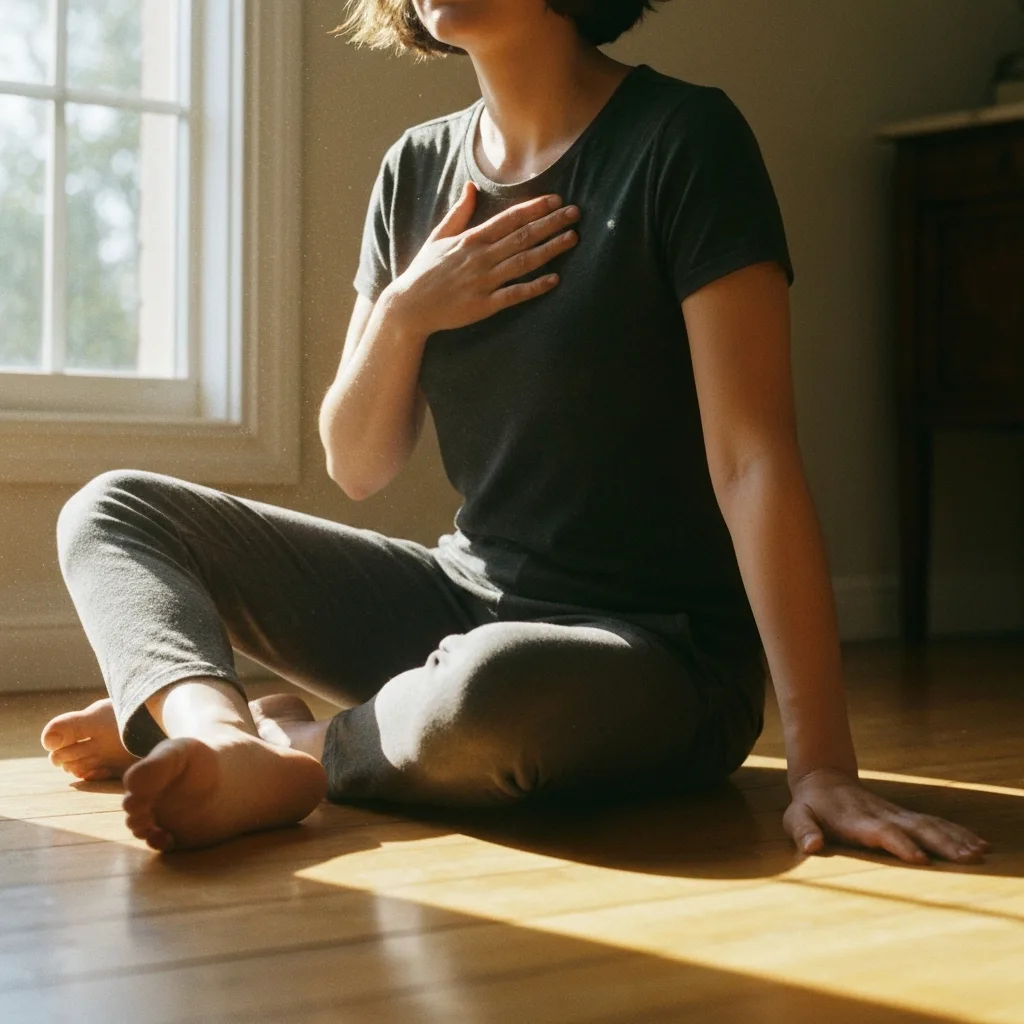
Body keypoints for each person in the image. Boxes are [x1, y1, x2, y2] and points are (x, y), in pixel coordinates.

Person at [40, 0, 990, 863]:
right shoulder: (415, 169)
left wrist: (821, 765)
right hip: (463, 599)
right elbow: (356, 462)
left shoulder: (684, 139)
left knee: (490, 692)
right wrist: (407, 311)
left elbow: (754, 462)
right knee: (113, 509)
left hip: (658, 655)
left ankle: (300, 744)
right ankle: (217, 732)